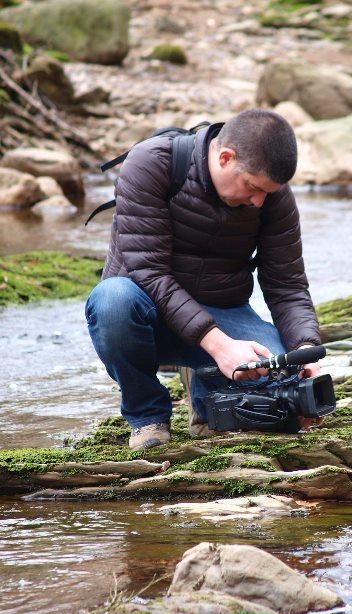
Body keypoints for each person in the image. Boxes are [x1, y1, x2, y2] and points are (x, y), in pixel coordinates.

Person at [85, 108, 323, 450]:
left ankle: (205, 401)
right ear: (225, 157)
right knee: (111, 301)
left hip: (224, 310)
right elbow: (149, 273)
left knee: (284, 390)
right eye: (253, 187)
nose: (258, 202)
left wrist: (304, 351)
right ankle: (147, 416)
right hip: (145, 311)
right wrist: (219, 345)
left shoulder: (271, 198)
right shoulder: (152, 163)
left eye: (266, 193)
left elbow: (287, 286)